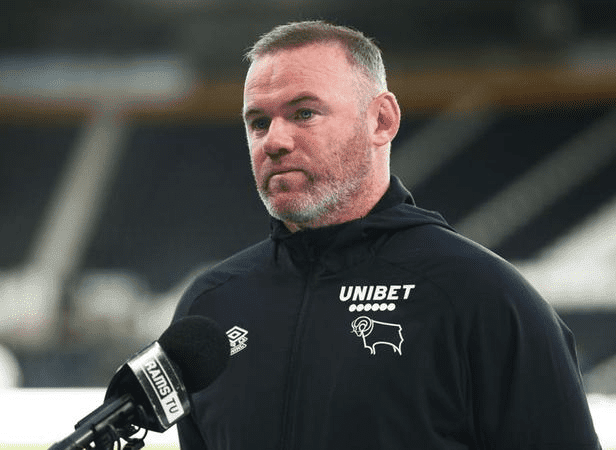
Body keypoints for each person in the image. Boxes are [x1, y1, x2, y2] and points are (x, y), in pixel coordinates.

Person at [172, 20, 601, 449]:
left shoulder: (485, 299)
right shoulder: (210, 306)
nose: (275, 141)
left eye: (304, 113)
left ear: (381, 120)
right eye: (258, 122)